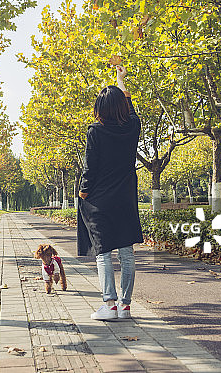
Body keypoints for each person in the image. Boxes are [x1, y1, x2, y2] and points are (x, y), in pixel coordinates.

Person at [77, 65, 143, 320]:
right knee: (126, 252)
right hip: (125, 199)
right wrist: (120, 81)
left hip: (100, 201)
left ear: (100, 110)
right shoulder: (133, 127)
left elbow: (89, 167)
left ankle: (109, 305)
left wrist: (83, 193)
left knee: (104, 253)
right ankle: (125, 307)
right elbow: (131, 109)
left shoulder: (95, 131)